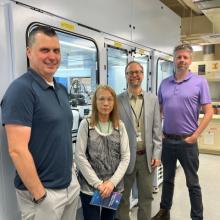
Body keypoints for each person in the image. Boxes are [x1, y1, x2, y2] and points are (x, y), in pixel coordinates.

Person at [1, 25, 80, 220]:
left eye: (56, 51)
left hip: (68, 186)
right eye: (44, 50)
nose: (52, 56)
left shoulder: (61, 90)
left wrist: (72, 178)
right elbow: (17, 150)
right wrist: (41, 195)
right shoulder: (21, 90)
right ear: (29, 52)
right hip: (44, 195)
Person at [152, 44, 213, 220]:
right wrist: (160, 133)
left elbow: (208, 112)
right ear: (174, 59)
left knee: (192, 183)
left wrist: (195, 136)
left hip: (188, 142)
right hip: (167, 141)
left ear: (190, 60)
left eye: (185, 57)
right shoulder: (164, 84)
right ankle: (164, 212)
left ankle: (197, 217)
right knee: (168, 180)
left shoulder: (200, 82)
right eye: (179, 57)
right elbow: (159, 111)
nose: (182, 60)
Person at [75, 85, 130, 220]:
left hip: (113, 188)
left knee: (109, 218)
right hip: (90, 188)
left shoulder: (119, 126)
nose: (106, 103)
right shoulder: (86, 125)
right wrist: (98, 184)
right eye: (101, 99)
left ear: (114, 102)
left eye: (109, 99)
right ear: (95, 102)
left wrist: (111, 183)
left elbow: (125, 157)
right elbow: (80, 156)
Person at [117, 61, 162, 220]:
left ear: (143, 75)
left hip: (146, 158)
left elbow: (157, 130)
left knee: (146, 198)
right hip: (124, 158)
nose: (134, 75)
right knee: (122, 198)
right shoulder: (117, 100)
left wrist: (157, 153)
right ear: (126, 76)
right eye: (130, 72)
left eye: (137, 72)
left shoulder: (153, 99)